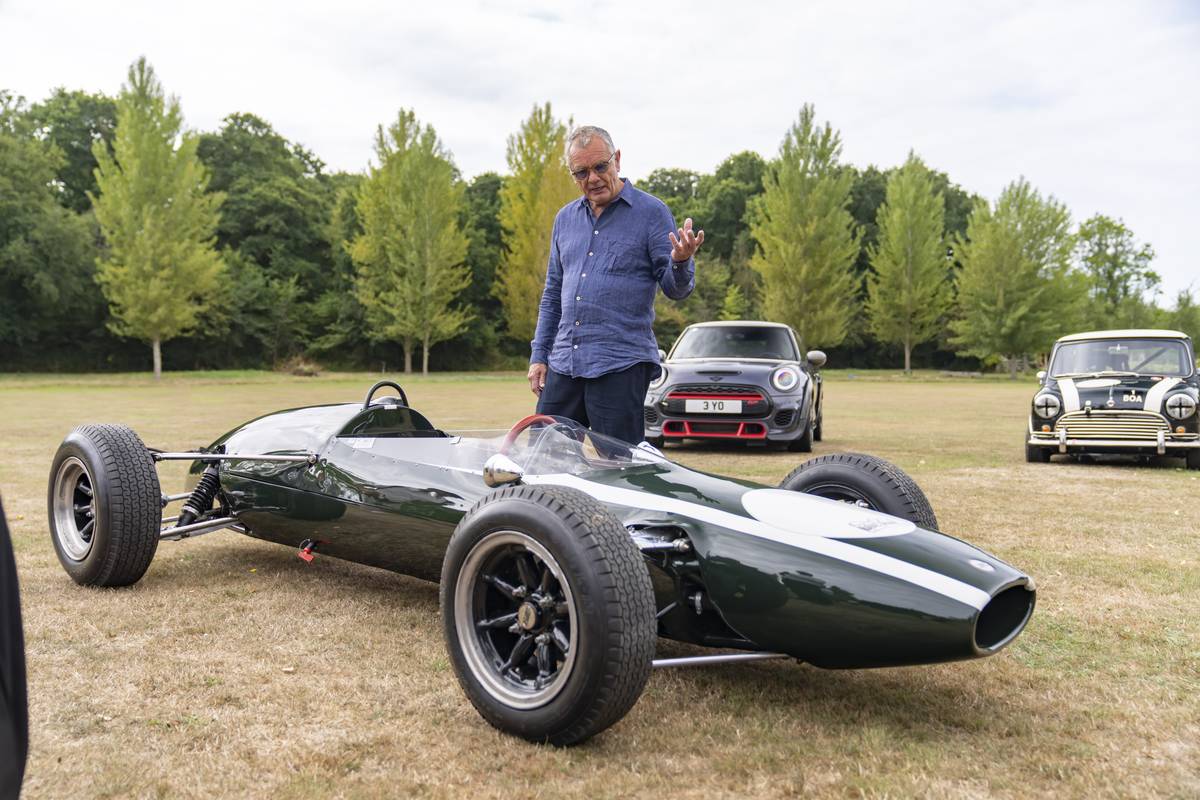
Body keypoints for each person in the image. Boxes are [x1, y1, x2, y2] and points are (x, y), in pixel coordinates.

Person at [527, 125, 704, 444]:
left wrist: (680, 261)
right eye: (581, 173)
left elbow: (676, 289)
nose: (593, 178)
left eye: (600, 166)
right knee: (544, 455)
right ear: (572, 175)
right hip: (565, 362)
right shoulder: (565, 219)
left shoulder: (652, 213)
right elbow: (552, 294)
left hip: (621, 363)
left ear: (617, 159)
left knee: (620, 463)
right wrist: (539, 355)